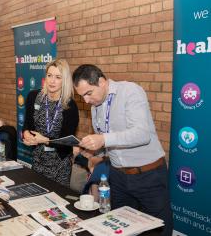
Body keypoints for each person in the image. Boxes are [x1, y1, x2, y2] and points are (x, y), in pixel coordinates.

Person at [72, 64, 172, 235]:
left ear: (102, 82)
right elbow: (111, 144)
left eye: (88, 93)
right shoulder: (96, 105)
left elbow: (142, 134)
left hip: (147, 175)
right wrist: (93, 150)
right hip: (118, 176)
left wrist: (102, 139)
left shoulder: (130, 91)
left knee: (158, 229)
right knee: (120, 227)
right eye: (82, 96)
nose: (87, 101)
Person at [23, 59, 79, 186]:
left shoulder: (70, 105)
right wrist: (26, 133)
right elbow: (27, 124)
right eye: (49, 75)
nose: (52, 81)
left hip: (60, 164)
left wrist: (44, 140)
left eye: (58, 77)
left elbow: (66, 141)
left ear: (64, 80)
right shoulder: (33, 96)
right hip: (38, 160)